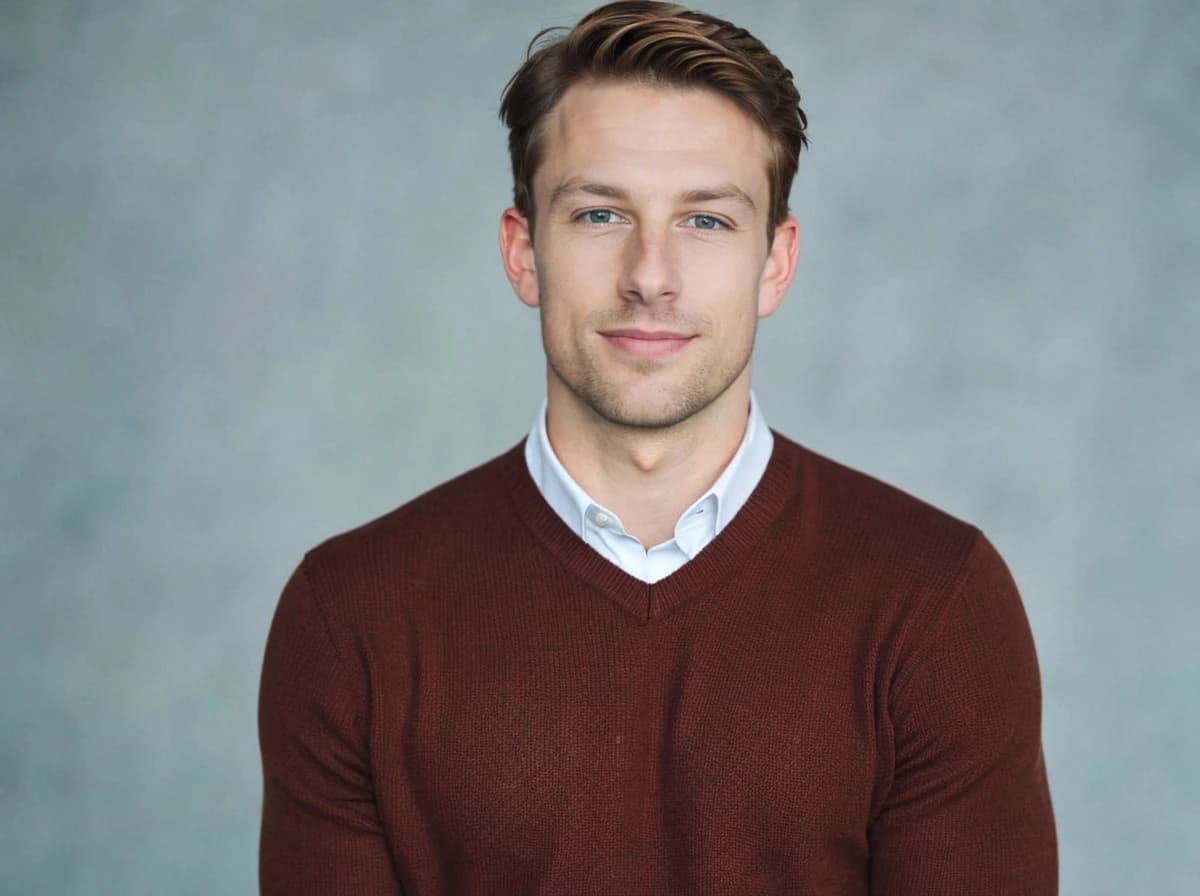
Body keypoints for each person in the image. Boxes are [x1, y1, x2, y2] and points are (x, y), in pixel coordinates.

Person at [257, 2, 1058, 893]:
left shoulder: (936, 602)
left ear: (775, 264)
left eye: (705, 221)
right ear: (524, 253)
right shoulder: (350, 618)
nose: (649, 275)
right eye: (600, 214)